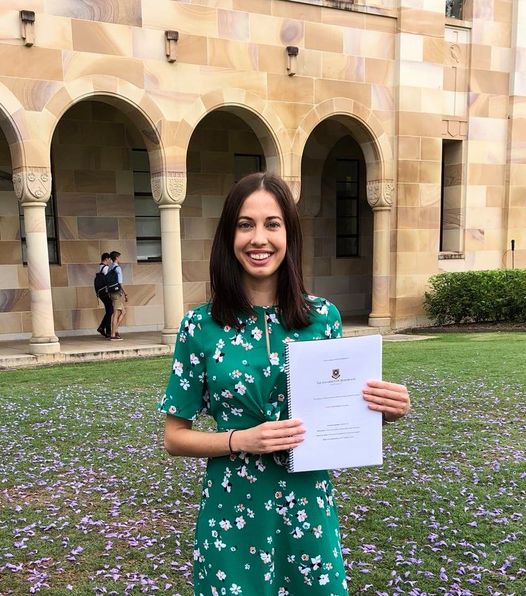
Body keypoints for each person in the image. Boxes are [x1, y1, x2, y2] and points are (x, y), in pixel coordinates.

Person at [158, 173, 410, 595]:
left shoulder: (322, 317)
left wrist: (384, 411)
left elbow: (338, 411)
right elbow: (174, 436)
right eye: (245, 224)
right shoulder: (199, 325)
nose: (259, 238)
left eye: (272, 224)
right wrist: (241, 439)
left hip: (307, 508)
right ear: (229, 236)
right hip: (232, 513)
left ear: (289, 234)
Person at [108, 250, 127, 341]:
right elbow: (120, 283)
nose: (120, 259)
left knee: (123, 312)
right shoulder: (118, 268)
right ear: (116, 258)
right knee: (116, 314)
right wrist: (125, 293)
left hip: (111, 292)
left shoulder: (110, 268)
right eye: (119, 257)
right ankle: (113, 334)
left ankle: (115, 331)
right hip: (116, 293)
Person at [96, 252, 113, 338]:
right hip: (106, 292)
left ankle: (108, 331)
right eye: (109, 259)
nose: (110, 261)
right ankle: (102, 327)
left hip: (101, 293)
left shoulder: (100, 267)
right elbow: (109, 280)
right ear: (106, 259)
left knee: (109, 311)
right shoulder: (106, 268)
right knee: (111, 311)